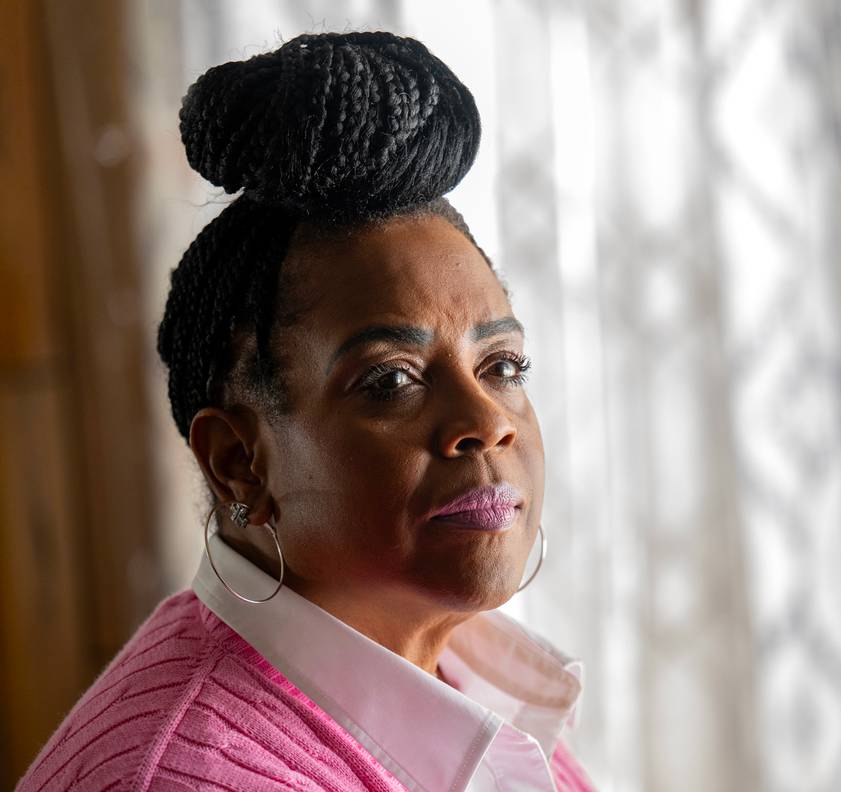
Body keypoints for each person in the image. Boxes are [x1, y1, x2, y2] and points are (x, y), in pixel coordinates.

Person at [18, 30, 594, 792]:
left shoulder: (471, 679)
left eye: (503, 366)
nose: (487, 422)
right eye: (391, 380)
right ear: (239, 463)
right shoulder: (185, 779)